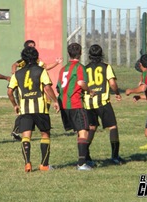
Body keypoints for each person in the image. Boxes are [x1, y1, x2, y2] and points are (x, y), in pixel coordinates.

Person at [7, 46, 60, 172]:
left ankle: (27, 163)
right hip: (40, 108)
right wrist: (55, 101)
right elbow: (47, 88)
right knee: (45, 134)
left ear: (23, 59)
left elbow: (9, 92)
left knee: (26, 136)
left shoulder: (17, 74)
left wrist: (15, 104)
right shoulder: (41, 71)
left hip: (25, 109)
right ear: (36, 57)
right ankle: (44, 165)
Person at [10, 40, 62, 141]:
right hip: (25, 87)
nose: (33, 47)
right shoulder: (23, 61)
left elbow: (46, 66)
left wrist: (56, 63)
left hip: (36, 85)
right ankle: (16, 130)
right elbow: (14, 65)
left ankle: (40, 122)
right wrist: (14, 74)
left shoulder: (37, 61)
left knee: (44, 102)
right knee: (24, 109)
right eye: (31, 46)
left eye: (34, 46)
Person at [83, 44, 125, 166]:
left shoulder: (85, 68)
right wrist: (117, 93)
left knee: (91, 128)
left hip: (88, 103)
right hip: (103, 102)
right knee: (112, 127)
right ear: (102, 55)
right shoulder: (106, 67)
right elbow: (112, 83)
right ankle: (115, 156)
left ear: (89, 55)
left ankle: (85, 155)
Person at [57, 42, 94, 171]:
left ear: (68, 54)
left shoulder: (63, 69)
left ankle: (87, 159)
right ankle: (81, 163)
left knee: (80, 130)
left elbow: (58, 87)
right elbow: (81, 83)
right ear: (81, 53)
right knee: (83, 130)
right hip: (75, 103)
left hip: (64, 105)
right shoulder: (79, 67)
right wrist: (89, 90)